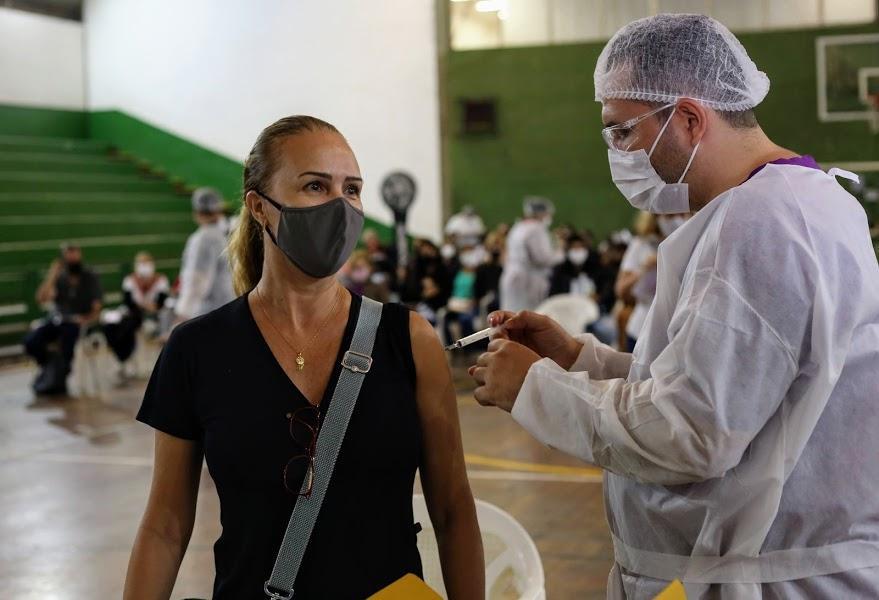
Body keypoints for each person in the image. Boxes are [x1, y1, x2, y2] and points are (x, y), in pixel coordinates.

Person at [470, 14, 879, 598]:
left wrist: (534, 388)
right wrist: (579, 359)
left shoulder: (761, 222)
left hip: (774, 580)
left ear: (688, 118)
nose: (618, 152)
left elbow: (692, 431)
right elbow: (735, 390)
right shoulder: (795, 203)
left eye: (622, 131)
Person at [125, 115, 483, 599]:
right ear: (259, 207)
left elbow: (453, 509)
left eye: (351, 189)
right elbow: (165, 527)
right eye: (315, 186)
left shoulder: (407, 338)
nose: (340, 206)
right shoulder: (196, 350)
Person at [24, 243, 103, 395]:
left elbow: (97, 306)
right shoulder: (60, 277)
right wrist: (52, 274)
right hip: (58, 320)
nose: (72, 258)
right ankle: (51, 365)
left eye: (75, 254)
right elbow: (41, 298)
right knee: (31, 341)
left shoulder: (90, 276)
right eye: (68, 255)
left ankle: (59, 374)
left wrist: (86, 319)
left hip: (78, 323)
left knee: (68, 342)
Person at [615, 212, 689, 350]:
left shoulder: (694, 244)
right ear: (656, 217)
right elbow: (621, 290)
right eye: (670, 216)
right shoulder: (642, 245)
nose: (677, 219)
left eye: (683, 214)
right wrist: (645, 269)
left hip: (680, 335)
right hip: (642, 330)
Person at [173, 187, 236, 324]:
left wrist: (182, 315)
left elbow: (197, 281)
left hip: (208, 314)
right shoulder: (228, 233)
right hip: (230, 307)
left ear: (197, 212)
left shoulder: (204, 239)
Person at [103, 252, 170, 365]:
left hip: (153, 316)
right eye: (141, 263)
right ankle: (121, 353)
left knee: (129, 325)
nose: (144, 266)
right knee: (112, 323)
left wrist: (149, 306)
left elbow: (161, 302)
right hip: (134, 314)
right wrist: (145, 305)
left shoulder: (160, 280)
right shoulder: (130, 280)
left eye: (146, 263)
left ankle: (123, 356)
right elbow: (128, 302)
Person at [499, 197, 558, 312]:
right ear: (541, 213)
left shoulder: (518, 227)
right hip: (528, 280)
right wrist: (559, 255)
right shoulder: (536, 229)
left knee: (510, 315)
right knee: (528, 318)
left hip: (512, 276)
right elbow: (542, 258)